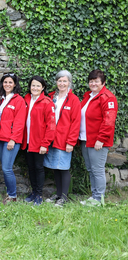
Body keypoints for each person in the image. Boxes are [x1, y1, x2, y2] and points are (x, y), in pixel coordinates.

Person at [79, 69, 118, 206]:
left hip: (97, 141)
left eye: (96, 81)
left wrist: (101, 139)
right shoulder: (88, 96)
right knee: (90, 169)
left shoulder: (107, 97)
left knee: (97, 169)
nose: (93, 83)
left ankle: (99, 198)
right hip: (85, 139)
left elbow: (109, 121)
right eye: (91, 81)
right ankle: (94, 195)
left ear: (103, 82)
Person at [44, 70, 81, 206]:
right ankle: (58, 194)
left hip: (65, 140)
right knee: (55, 167)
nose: (62, 83)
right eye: (59, 81)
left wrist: (71, 141)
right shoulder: (51, 97)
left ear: (69, 83)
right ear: (56, 82)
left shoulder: (74, 100)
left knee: (63, 167)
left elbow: (76, 122)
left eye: (65, 81)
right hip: (51, 138)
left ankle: (64, 197)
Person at [21, 76, 56, 205]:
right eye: (33, 85)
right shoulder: (26, 99)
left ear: (43, 88)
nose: (35, 88)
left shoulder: (47, 102)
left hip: (40, 142)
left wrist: (45, 144)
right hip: (27, 141)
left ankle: (39, 195)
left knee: (38, 167)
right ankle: (34, 192)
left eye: (37, 86)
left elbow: (51, 126)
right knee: (30, 168)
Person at [0, 73, 26, 205]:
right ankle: (9, 193)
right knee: (4, 167)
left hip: (10, 140)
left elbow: (19, 122)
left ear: (15, 84)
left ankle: (12, 196)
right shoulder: (2, 99)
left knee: (7, 168)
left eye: (10, 82)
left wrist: (13, 139)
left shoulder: (18, 100)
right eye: (5, 82)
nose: (7, 84)